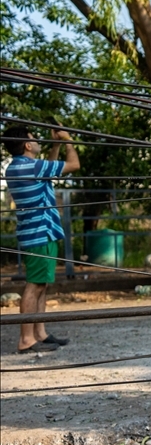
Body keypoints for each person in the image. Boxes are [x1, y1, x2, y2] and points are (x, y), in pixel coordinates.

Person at [1, 124, 79, 353]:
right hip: (39, 233)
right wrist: (67, 140)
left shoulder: (21, 166)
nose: (37, 141)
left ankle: (40, 333)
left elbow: (48, 171)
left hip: (38, 232)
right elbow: (74, 165)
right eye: (34, 138)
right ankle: (26, 339)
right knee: (34, 286)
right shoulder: (29, 166)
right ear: (27, 144)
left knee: (41, 284)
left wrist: (55, 145)